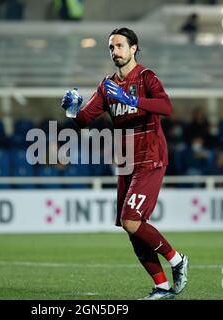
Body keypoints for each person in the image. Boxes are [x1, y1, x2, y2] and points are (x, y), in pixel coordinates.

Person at [60, 27, 189, 300]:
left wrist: (130, 99)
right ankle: (162, 287)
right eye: (111, 47)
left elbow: (165, 107)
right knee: (132, 229)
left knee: (131, 220)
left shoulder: (146, 77)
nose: (115, 51)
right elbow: (84, 120)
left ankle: (177, 260)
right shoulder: (107, 86)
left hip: (151, 158)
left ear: (133, 48)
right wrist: (72, 110)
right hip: (127, 163)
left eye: (119, 46)